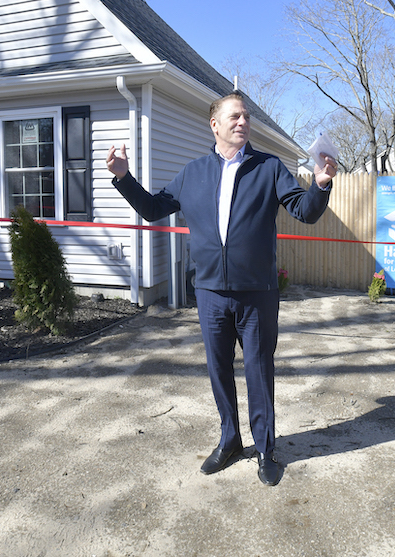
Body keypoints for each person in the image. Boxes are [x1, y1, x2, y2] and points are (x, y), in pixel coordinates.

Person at [106, 92, 337, 486]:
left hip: (257, 292)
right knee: (218, 370)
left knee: (259, 370)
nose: (243, 121)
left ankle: (266, 449)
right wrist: (124, 177)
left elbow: (305, 211)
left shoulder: (269, 168)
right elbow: (152, 208)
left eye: (246, 116)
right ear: (214, 124)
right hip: (211, 293)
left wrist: (320, 185)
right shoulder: (193, 172)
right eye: (234, 116)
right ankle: (230, 439)